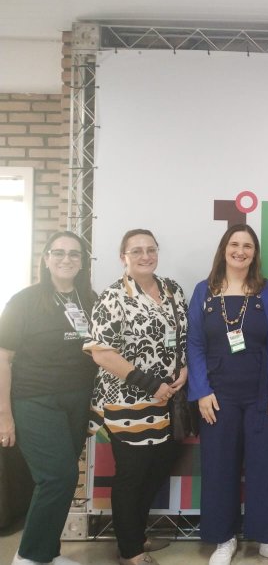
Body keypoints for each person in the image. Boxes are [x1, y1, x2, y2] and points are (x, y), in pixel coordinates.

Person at [187, 224, 268, 565]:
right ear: (224, 249)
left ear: (255, 253)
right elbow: (194, 344)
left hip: (263, 396)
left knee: (266, 466)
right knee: (219, 466)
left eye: (247, 246)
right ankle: (224, 539)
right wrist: (201, 391)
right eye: (234, 244)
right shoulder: (204, 291)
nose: (240, 251)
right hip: (217, 398)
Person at [84, 229, 187, 565]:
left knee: (156, 470)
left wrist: (184, 369)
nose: (146, 256)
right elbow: (101, 353)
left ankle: (137, 535)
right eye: (137, 250)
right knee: (132, 476)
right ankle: (130, 551)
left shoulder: (172, 289)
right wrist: (150, 384)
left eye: (151, 249)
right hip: (128, 401)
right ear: (123, 257)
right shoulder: (112, 296)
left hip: (167, 401)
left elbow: (183, 337)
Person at [0, 231, 95, 565]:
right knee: (57, 477)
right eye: (59, 252)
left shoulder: (89, 299)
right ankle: (27, 557)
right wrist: (4, 414)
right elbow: (3, 357)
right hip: (34, 399)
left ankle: (47, 553)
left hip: (76, 400)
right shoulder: (24, 301)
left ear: (82, 262)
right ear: (46, 258)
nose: (66, 259)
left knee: (63, 478)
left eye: (74, 254)